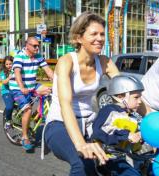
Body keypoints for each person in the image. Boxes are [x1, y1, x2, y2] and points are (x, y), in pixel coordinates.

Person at [44, 12, 119, 175]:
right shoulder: (67, 62)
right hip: (60, 123)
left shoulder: (104, 61)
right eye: (94, 34)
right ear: (79, 38)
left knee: (115, 163)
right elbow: (66, 105)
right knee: (83, 163)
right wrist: (80, 144)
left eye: (102, 34)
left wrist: (148, 117)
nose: (100, 38)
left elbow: (125, 90)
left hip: (90, 124)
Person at [91, 75, 144, 176]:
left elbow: (136, 139)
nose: (140, 101)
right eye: (136, 97)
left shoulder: (133, 116)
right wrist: (126, 135)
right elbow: (99, 132)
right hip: (110, 159)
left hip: (130, 159)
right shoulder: (109, 111)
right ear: (120, 97)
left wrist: (141, 137)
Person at [9, 36, 53, 151]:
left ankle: (36, 116)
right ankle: (24, 136)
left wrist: (58, 83)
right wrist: (22, 87)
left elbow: (48, 71)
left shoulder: (38, 57)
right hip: (18, 88)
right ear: (27, 45)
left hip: (32, 86)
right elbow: (17, 72)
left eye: (38, 46)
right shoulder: (19, 56)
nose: (37, 48)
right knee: (27, 109)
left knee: (49, 92)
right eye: (34, 46)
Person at [0, 56, 14, 129]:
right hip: (6, 92)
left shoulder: (16, 70)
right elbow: (4, 82)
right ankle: (8, 119)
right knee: (9, 107)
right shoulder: (3, 72)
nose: (9, 66)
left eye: (10, 64)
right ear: (4, 65)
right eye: (7, 64)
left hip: (15, 91)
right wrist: (9, 77)